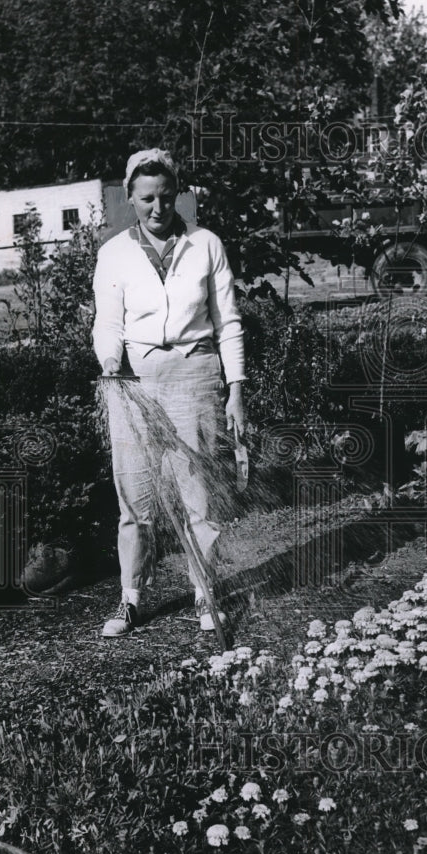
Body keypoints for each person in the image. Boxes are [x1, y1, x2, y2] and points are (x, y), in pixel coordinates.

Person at [93, 148, 245, 637]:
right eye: (146, 199)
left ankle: (206, 594)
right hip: (134, 380)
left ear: (177, 192)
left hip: (195, 374)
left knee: (198, 494)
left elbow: (229, 323)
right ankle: (131, 598)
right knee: (134, 495)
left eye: (166, 196)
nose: (158, 208)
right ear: (130, 199)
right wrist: (110, 362)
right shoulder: (113, 253)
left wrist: (236, 389)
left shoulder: (205, 244)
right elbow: (107, 323)